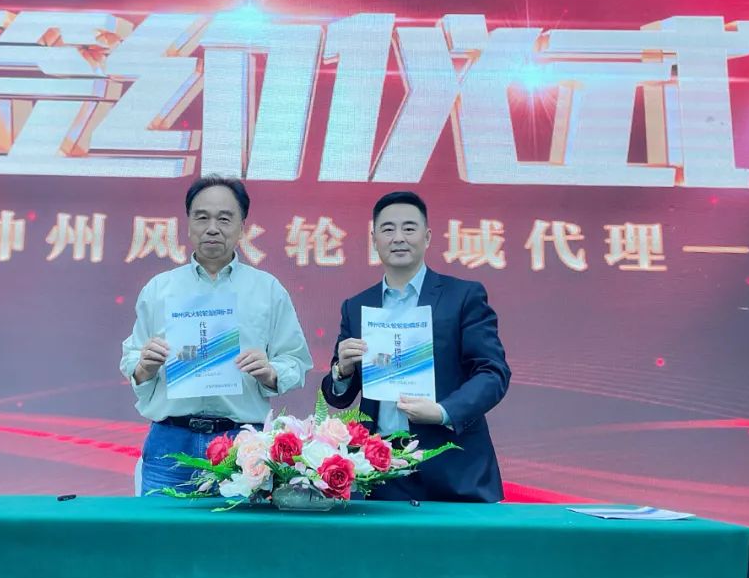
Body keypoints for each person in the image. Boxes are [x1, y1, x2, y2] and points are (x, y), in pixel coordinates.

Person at [121, 175, 313, 495]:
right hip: (171, 441)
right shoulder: (159, 289)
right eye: (202, 217)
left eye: (224, 219)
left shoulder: (267, 290)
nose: (212, 228)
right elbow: (132, 359)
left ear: (242, 228)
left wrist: (270, 372)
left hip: (242, 444)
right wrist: (144, 366)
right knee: (159, 528)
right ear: (188, 225)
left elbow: (295, 359)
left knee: (237, 530)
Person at [321, 191, 510, 502]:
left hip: (453, 466)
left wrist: (443, 411)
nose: (398, 237)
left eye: (409, 228)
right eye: (388, 229)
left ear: (427, 237)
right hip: (380, 468)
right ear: (374, 239)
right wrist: (342, 370)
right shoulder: (357, 306)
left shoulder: (463, 296)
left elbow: (493, 373)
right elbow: (338, 395)